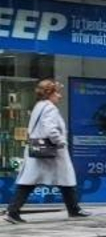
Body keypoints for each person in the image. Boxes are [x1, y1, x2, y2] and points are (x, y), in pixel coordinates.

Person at [4, 79, 89, 224]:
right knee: (60, 178)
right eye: (57, 93)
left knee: (42, 180)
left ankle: (74, 209)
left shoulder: (39, 106)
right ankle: (13, 211)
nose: (59, 96)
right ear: (49, 94)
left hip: (38, 149)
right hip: (50, 150)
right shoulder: (50, 108)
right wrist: (60, 141)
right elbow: (50, 128)